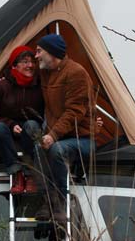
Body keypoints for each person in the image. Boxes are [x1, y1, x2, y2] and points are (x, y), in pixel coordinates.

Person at [33, 34, 95, 221]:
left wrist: (52, 135)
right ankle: (48, 202)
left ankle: (61, 204)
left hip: (82, 138)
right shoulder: (45, 72)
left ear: (52, 53)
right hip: (58, 135)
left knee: (57, 150)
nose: (36, 56)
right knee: (37, 149)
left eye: (39, 51)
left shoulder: (76, 73)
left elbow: (74, 113)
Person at [0, 45, 44, 194]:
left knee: (33, 125)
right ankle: (17, 173)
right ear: (15, 65)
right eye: (25, 62)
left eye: (32, 62)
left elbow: (43, 115)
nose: (30, 65)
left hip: (27, 134)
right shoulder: (2, 86)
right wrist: (11, 124)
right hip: (3, 136)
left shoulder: (39, 86)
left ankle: (32, 173)